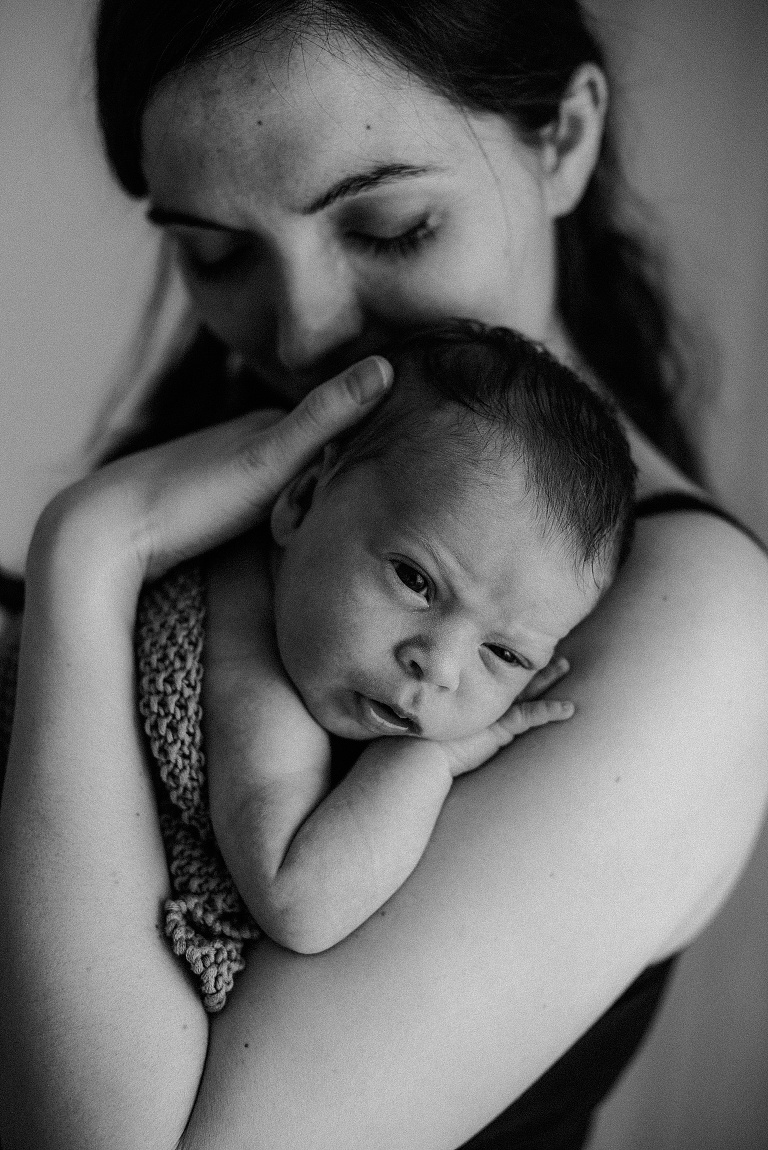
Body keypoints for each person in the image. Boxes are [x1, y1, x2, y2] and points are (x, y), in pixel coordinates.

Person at [0, 2, 767, 1149]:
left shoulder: (701, 621)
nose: (304, 331)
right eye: (215, 251)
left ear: (561, 136)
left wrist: (92, 549)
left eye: (395, 227)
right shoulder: (240, 491)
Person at [200, 322, 636, 960]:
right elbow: (298, 903)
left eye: (505, 655)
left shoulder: (308, 634)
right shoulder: (250, 664)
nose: (439, 668)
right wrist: (426, 764)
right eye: (415, 580)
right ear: (299, 501)